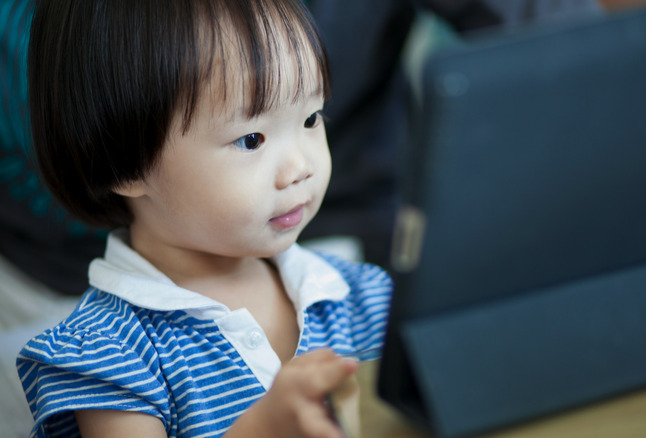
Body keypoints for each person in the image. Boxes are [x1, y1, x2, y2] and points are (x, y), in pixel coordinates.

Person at [15, 0, 392, 437]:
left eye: (310, 117)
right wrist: (262, 430)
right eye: (251, 139)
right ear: (125, 166)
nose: (300, 168)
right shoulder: (109, 355)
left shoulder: (359, 296)